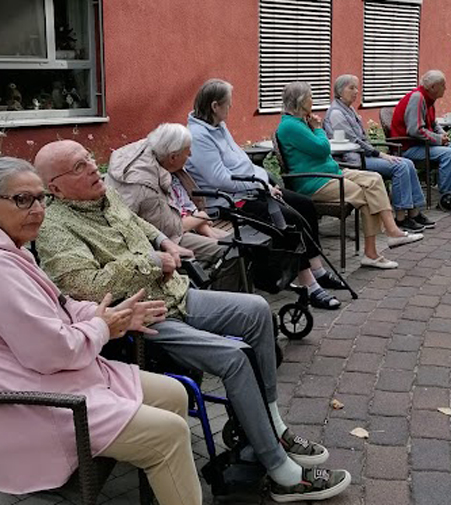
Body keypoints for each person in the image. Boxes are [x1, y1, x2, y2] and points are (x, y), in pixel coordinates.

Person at [33, 140, 351, 503]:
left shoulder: (104, 195)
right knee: (234, 357)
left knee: (257, 310)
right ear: (54, 187)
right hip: (141, 319)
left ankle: (273, 424)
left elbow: (137, 222)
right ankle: (281, 471)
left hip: (177, 293)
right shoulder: (54, 228)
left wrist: (164, 243)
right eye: (78, 167)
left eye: (89, 158)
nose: (92, 167)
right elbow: (83, 286)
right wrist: (152, 263)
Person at [0, 157, 202, 505]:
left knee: (174, 394)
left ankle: (166, 489)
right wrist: (102, 328)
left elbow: (60, 306)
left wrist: (109, 314)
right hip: (17, 407)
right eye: (22, 200)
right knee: (168, 434)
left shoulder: (6, 251)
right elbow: (51, 351)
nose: (37, 209)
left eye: (41, 198)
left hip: (43, 380)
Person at [185, 79, 343, 309]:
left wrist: (265, 180)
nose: (231, 108)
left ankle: (317, 270)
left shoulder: (218, 126)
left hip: (251, 190)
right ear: (215, 106)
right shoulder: (199, 136)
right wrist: (261, 185)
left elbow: (241, 161)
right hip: (228, 202)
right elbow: (218, 179)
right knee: (287, 220)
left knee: (305, 205)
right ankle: (310, 286)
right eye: (228, 104)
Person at [276, 81, 422, 270]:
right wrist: (318, 128)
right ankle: (372, 253)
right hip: (314, 181)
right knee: (365, 194)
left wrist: (314, 128)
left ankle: (392, 231)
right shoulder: (290, 126)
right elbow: (322, 148)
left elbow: (319, 151)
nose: (313, 100)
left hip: (330, 173)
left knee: (374, 179)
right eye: (310, 97)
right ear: (300, 100)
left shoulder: (301, 122)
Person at [106, 123, 228, 267]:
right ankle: (221, 290)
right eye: (187, 152)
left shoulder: (156, 152)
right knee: (229, 251)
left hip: (178, 224)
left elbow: (185, 204)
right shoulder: (146, 185)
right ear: (173, 157)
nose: (191, 155)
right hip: (161, 242)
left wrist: (204, 226)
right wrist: (203, 217)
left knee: (240, 242)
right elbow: (171, 230)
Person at [324, 74, 434, 232]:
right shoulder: (336, 113)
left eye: (357, 87)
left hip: (363, 154)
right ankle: (401, 217)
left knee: (407, 163)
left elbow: (362, 139)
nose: (356, 91)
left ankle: (414, 212)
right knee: (399, 166)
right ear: (340, 91)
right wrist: (380, 154)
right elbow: (354, 142)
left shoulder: (348, 109)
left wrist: (376, 153)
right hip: (353, 159)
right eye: (351, 88)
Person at [389, 70, 451, 211]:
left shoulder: (428, 99)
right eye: (443, 85)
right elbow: (415, 130)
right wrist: (439, 140)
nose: (445, 88)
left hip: (421, 144)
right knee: (448, 153)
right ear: (432, 87)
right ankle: (447, 197)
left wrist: (442, 135)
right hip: (407, 147)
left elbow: (433, 124)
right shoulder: (417, 98)